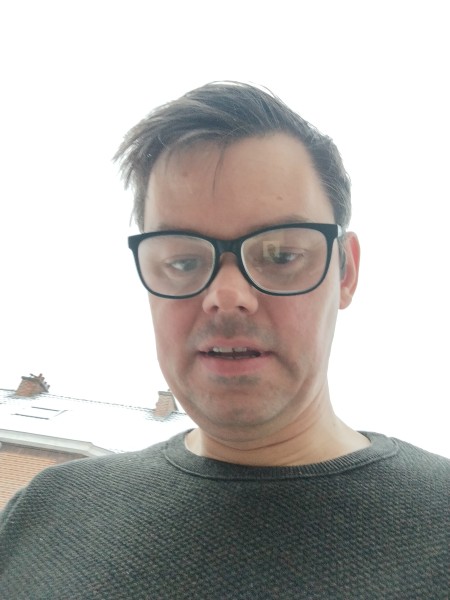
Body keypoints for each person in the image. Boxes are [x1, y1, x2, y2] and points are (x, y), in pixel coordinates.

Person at [0, 82, 448, 599]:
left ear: (345, 271)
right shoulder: (44, 516)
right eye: (183, 260)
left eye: (280, 255)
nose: (226, 296)